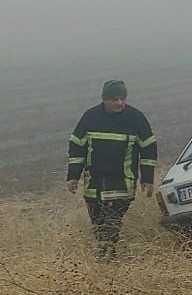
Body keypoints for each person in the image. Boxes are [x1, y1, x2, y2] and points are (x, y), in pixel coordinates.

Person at [67, 80, 158, 257]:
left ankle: (106, 257)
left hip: (122, 183)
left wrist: (147, 179)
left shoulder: (136, 118)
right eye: (114, 99)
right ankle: (108, 255)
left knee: (112, 221)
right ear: (104, 100)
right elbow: (77, 147)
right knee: (98, 224)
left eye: (123, 98)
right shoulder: (90, 117)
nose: (119, 103)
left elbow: (149, 149)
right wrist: (73, 176)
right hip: (94, 185)